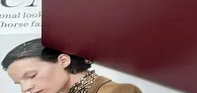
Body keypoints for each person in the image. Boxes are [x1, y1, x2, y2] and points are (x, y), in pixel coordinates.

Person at [1, 40, 141, 93]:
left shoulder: (119, 91)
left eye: (32, 75)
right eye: (19, 83)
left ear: (63, 60)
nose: (25, 89)